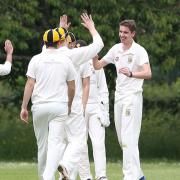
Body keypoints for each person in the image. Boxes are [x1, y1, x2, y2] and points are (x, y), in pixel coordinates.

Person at [93, 19, 152, 180]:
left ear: (133, 34)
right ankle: (138, 175)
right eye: (120, 32)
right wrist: (93, 56)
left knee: (128, 139)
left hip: (132, 98)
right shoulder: (116, 49)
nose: (122, 35)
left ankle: (129, 176)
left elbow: (148, 73)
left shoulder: (139, 51)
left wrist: (132, 74)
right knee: (122, 140)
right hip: (119, 98)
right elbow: (98, 66)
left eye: (125, 32)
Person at [50, 13, 104, 180]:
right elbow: (99, 44)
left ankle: (64, 175)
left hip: (54, 104)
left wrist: (60, 29)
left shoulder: (47, 53)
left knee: (61, 141)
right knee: (79, 140)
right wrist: (91, 28)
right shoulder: (73, 54)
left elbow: (51, 43)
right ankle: (65, 165)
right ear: (68, 42)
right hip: (71, 103)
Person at [20, 29, 76, 180]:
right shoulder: (66, 60)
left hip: (39, 107)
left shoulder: (36, 59)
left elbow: (30, 84)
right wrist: (69, 104)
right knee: (56, 144)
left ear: (44, 42)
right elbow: (71, 87)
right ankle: (48, 176)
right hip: (59, 107)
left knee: (42, 146)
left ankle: (44, 177)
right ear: (59, 43)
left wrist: (24, 107)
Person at [75, 40, 109, 180]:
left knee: (98, 142)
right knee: (81, 143)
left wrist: (104, 110)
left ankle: (101, 175)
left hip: (95, 107)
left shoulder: (96, 63)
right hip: (79, 107)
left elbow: (103, 89)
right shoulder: (73, 64)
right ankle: (86, 177)